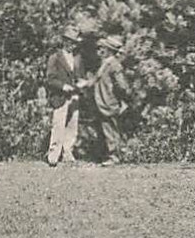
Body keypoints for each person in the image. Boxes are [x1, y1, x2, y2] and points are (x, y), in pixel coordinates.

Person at [44, 24, 88, 166]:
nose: (72, 45)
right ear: (63, 41)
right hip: (60, 96)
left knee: (72, 125)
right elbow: (50, 79)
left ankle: (67, 153)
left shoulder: (77, 58)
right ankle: (53, 156)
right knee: (58, 125)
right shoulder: (55, 57)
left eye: (74, 42)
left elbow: (79, 75)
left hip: (74, 95)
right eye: (69, 41)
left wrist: (82, 82)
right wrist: (63, 87)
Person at [89, 33, 131, 165]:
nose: (100, 51)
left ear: (109, 51)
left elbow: (123, 86)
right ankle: (114, 154)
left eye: (103, 49)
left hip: (109, 102)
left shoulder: (114, 65)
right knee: (108, 128)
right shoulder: (105, 64)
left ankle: (115, 156)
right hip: (103, 102)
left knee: (111, 129)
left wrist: (122, 100)